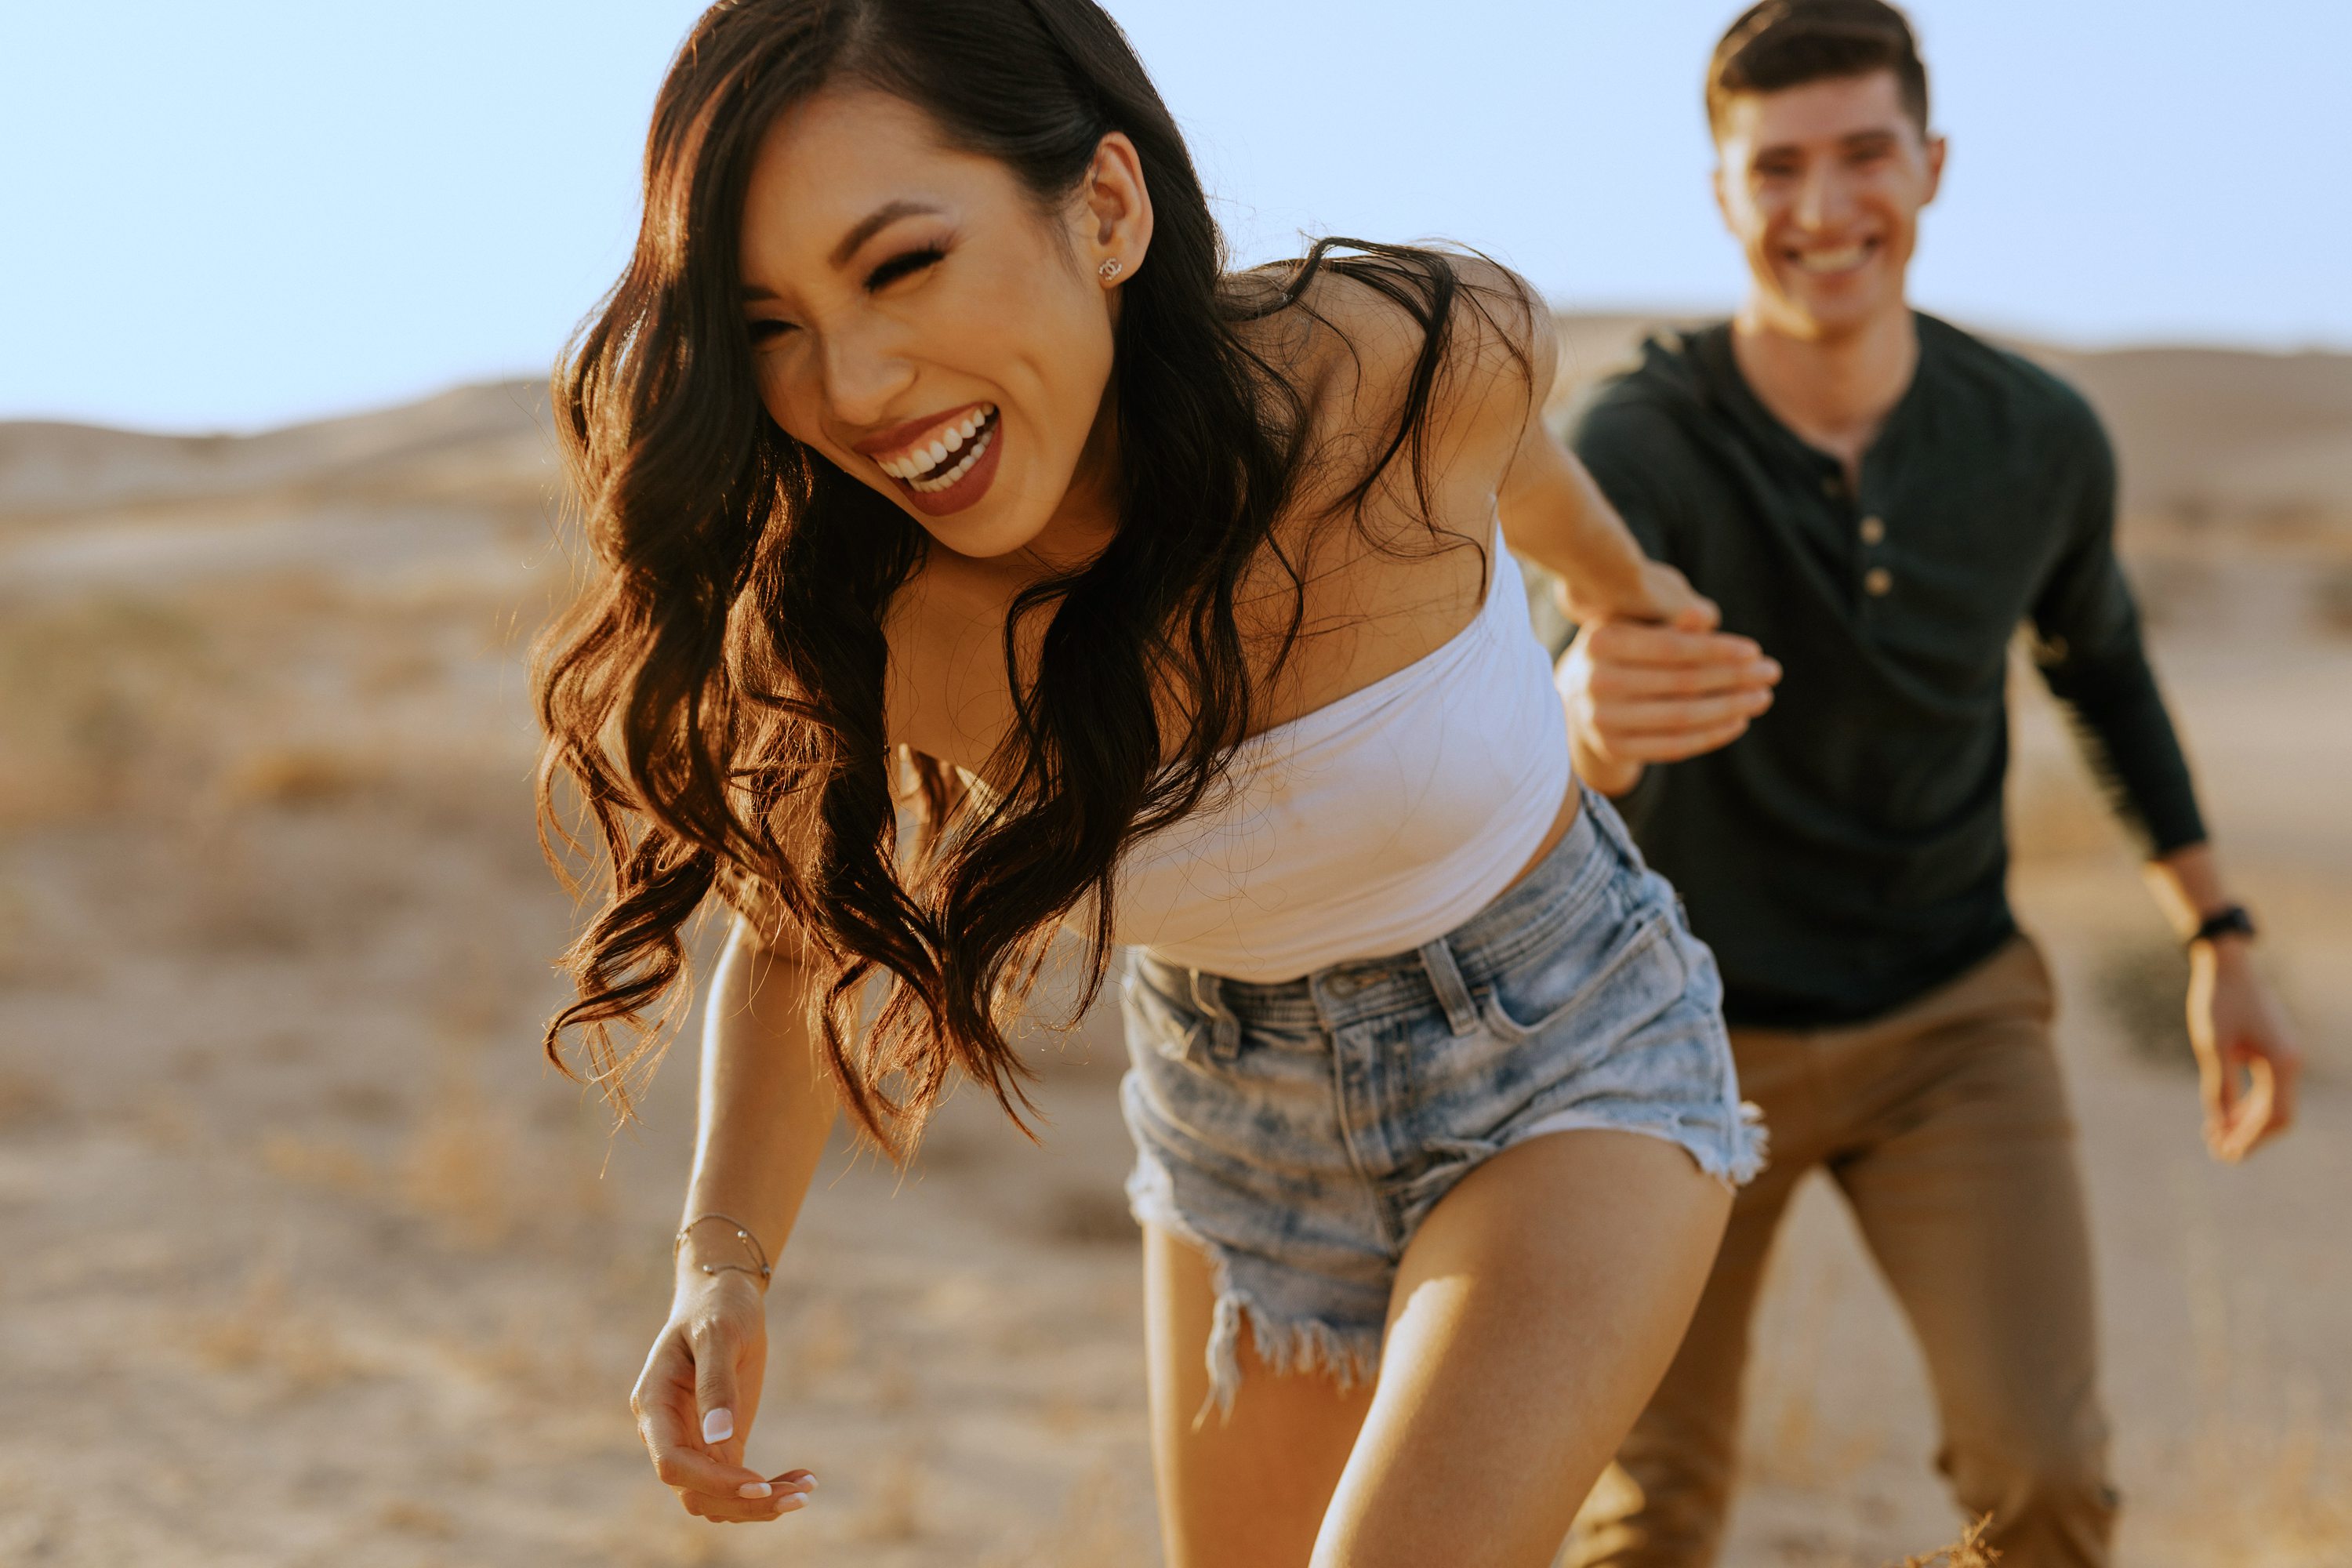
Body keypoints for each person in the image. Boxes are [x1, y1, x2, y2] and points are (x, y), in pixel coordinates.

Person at [531, 2, 1763, 1564]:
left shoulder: (1395, 375)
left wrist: (1629, 603)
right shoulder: (878, 618)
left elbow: (1530, 467)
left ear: (1108, 208)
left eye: (901, 264)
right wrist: (725, 1262)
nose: (850, 383)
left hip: (1566, 1046)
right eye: (770, 321)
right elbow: (797, 930)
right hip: (1231, 1130)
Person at [1552, 4, 2303, 1566]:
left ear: (1932, 163)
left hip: (1950, 1024)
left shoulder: (2035, 437)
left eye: (1862, 156)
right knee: (1649, 1511)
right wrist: (1589, 713)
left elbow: (2104, 672)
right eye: (1778, 170)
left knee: (2041, 1492)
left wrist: (2219, 938)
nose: (1823, 211)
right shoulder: (1640, 439)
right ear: (1721, 194)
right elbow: (1563, 706)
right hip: (1671, 1044)